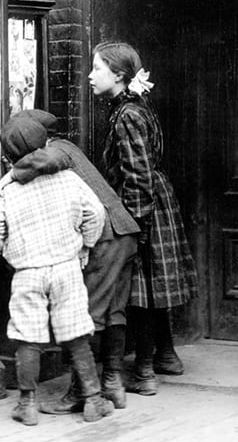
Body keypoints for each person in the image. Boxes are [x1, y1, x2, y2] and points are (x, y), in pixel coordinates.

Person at [0, 109, 140, 412]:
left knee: (88, 315)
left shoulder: (56, 150)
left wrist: (8, 178)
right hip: (123, 232)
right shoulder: (64, 150)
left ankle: (81, 392)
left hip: (104, 236)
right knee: (114, 311)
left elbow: (38, 162)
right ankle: (112, 384)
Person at [89, 41, 198, 396]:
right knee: (152, 283)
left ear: (118, 75)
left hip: (141, 201)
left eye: (97, 69)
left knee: (141, 286)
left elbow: (136, 172)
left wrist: (138, 222)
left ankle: (146, 370)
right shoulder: (135, 107)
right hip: (153, 197)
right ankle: (165, 356)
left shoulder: (128, 115)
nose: (90, 76)